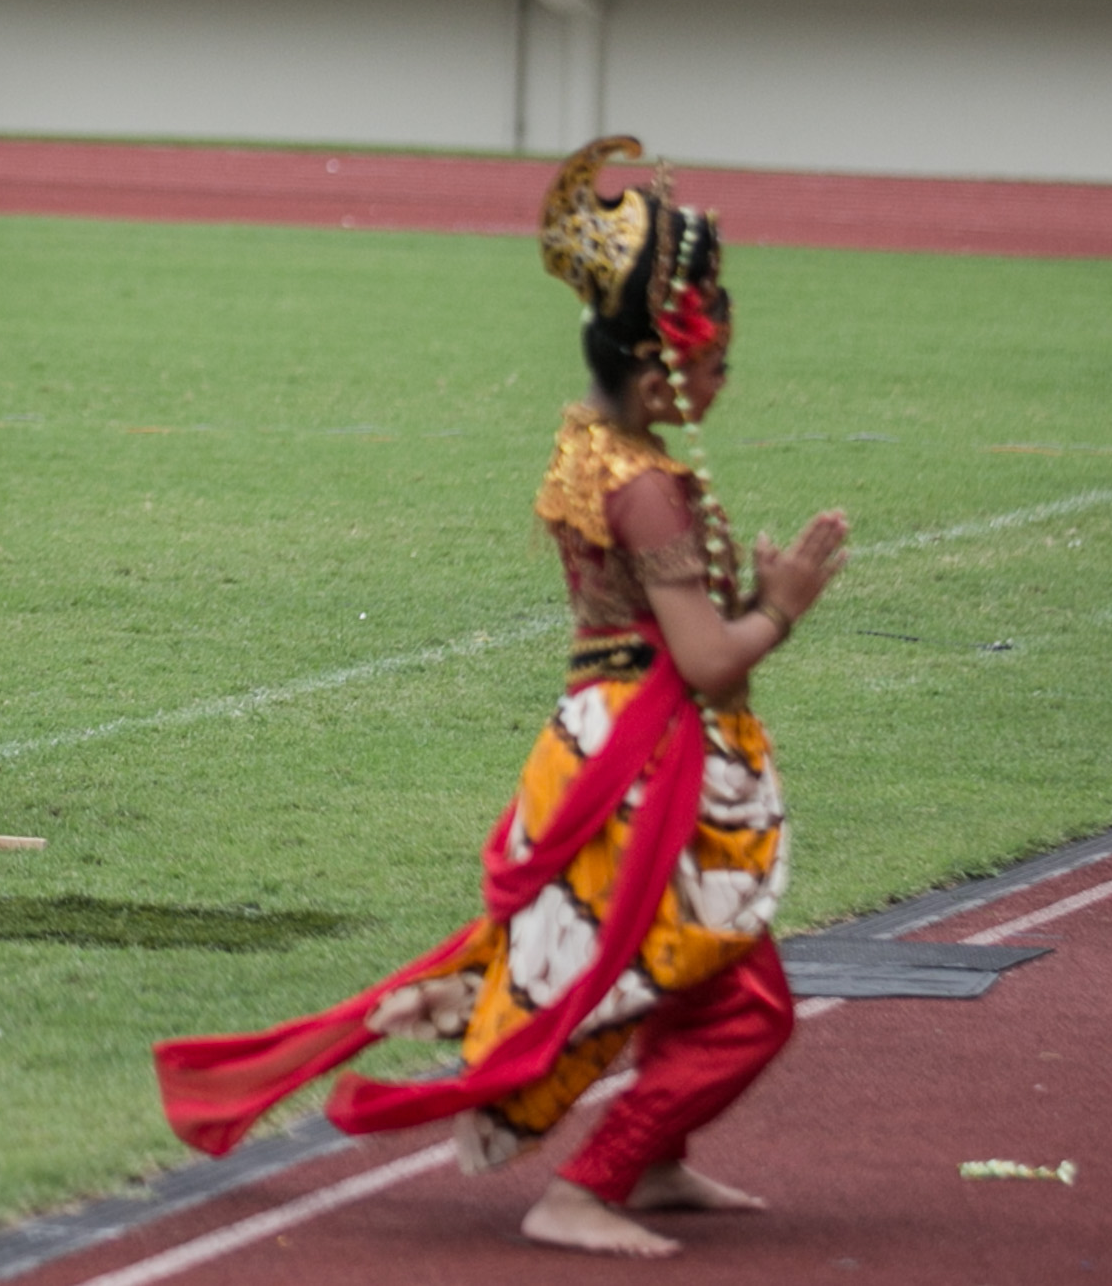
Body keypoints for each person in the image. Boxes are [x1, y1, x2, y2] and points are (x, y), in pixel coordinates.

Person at [153, 140, 850, 1263]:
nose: (725, 364)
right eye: (715, 340)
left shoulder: (596, 447)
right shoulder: (647, 487)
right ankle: (587, 1182)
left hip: (617, 741)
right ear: (667, 350)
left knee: (685, 968)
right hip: (637, 756)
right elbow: (712, 659)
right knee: (728, 993)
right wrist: (785, 601)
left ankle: (652, 1159)